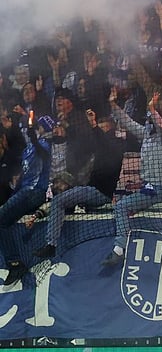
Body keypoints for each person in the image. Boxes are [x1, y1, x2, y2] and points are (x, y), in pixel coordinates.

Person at [34, 110, 124, 259]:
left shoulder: (116, 145)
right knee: (60, 194)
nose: (100, 130)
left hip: (100, 193)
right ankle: (50, 238)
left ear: (110, 128)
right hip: (91, 190)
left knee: (59, 200)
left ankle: (51, 245)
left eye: (103, 127)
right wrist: (68, 126)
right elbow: (84, 140)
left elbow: (104, 142)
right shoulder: (99, 148)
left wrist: (94, 125)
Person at [102, 91, 162, 267]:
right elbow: (128, 122)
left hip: (160, 190)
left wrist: (152, 108)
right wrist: (113, 105)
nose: (148, 122)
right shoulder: (146, 135)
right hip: (147, 188)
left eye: (150, 119)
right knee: (120, 202)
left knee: (121, 206)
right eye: (147, 120)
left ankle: (119, 250)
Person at [1, 111, 52, 286]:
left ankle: (15, 264)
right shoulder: (28, 149)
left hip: (34, 192)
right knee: (4, 219)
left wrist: (34, 138)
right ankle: (14, 263)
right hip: (24, 192)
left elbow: (42, 153)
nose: (33, 129)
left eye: (36, 127)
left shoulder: (45, 144)